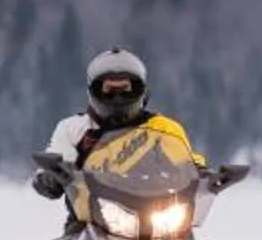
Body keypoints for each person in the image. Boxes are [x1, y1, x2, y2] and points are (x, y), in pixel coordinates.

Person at [34, 49, 202, 209]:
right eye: (109, 90)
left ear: (139, 90)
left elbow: (187, 162)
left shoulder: (163, 129)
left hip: (159, 217)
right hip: (89, 220)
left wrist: (205, 174)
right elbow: (58, 157)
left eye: (125, 89)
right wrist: (49, 178)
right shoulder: (73, 128)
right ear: (94, 91)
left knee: (189, 239)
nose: (117, 97)